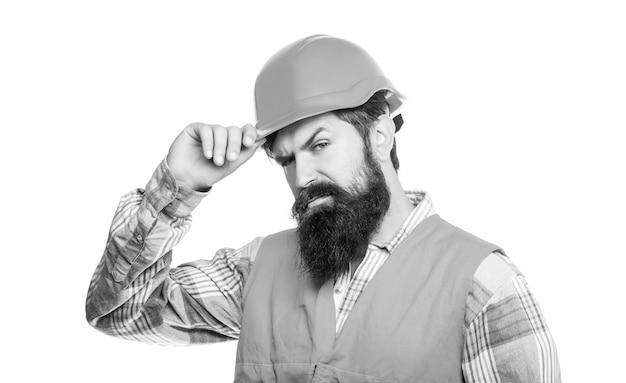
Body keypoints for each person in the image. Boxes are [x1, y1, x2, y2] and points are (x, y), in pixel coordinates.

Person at [86, 35, 560, 382]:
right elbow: (117, 311)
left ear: (379, 132)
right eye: (286, 160)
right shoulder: (257, 271)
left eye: (320, 145)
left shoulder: (483, 287)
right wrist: (177, 189)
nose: (302, 178)